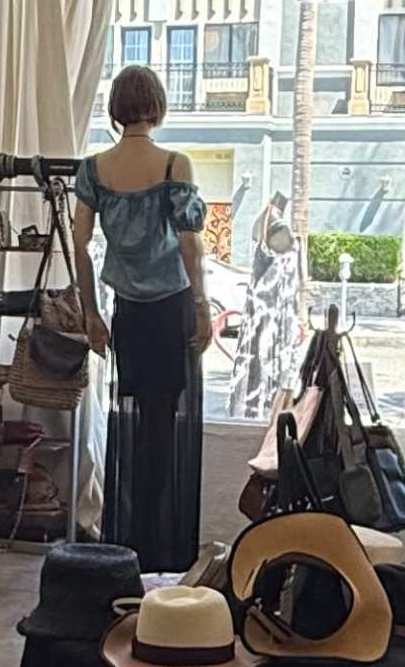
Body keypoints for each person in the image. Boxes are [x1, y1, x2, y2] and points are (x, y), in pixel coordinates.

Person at [75, 63, 210, 573]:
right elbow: (191, 246)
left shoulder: (95, 170)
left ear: (115, 110)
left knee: (131, 422)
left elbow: (80, 245)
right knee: (166, 426)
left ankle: (130, 543)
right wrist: (202, 307)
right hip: (171, 309)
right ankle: (165, 549)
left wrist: (90, 312)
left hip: (126, 313)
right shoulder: (175, 164)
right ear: (156, 106)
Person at [231, 188, 303, 421]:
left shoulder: (268, 223)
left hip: (270, 308)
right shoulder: (276, 226)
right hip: (270, 309)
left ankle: (265, 405)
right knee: (262, 358)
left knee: (262, 360)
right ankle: (263, 407)